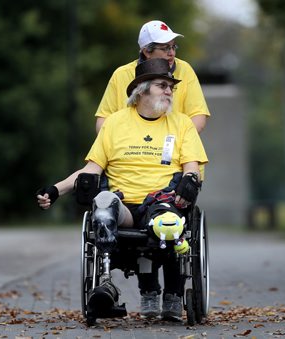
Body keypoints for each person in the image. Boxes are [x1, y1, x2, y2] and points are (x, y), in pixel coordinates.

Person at [36, 58, 208, 321]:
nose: (169, 91)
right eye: (163, 85)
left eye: (170, 87)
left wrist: (190, 179)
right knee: (103, 203)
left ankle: (172, 293)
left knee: (168, 222)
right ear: (141, 90)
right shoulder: (115, 124)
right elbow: (91, 170)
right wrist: (57, 190)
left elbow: (192, 167)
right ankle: (106, 284)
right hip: (124, 205)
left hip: (162, 202)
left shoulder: (181, 123)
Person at [94, 20, 210, 134]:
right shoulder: (121, 74)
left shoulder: (185, 69)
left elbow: (198, 116)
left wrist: (178, 143)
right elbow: (103, 120)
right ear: (147, 52)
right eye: (165, 48)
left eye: (173, 47)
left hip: (171, 147)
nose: (172, 53)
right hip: (128, 150)